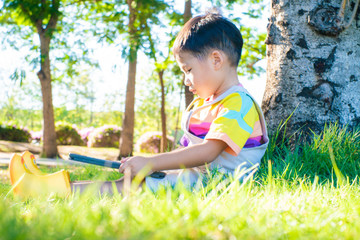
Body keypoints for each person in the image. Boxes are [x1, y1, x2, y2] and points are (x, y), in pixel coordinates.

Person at [8, 10, 269, 198]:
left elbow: (208, 153)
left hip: (215, 186)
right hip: (195, 178)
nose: (186, 80)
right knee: (130, 180)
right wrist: (148, 165)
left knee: (131, 186)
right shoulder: (205, 105)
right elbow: (186, 154)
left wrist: (151, 162)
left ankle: (44, 191)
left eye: (188, 69)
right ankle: (49, 185)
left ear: (215, 60)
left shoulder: (239, 105)